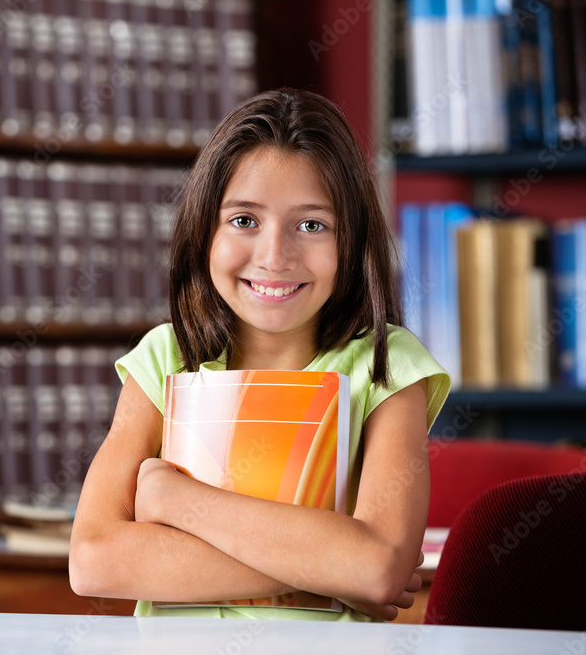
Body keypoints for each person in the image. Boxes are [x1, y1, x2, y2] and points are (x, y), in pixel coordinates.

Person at [68, 88, 451, 622]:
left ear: (352, 242)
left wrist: (174, 501)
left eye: (311, 225)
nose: (274, 257)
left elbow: (379, 568)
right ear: (205, 229)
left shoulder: (388, 365)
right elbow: (94, 561)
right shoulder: (165, 358)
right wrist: (334, 570)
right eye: (244, 220)